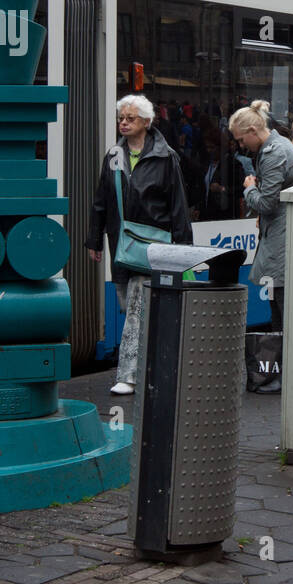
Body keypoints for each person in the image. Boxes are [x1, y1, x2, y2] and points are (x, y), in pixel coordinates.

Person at [86, 95, 193, 395]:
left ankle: (128, 376)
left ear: (146, 123)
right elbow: (101, 201)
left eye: (130, 118)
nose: (123, 122)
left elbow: (178, 205)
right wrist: (94, 239)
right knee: (130, 306)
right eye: (121, 117)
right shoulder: (113, 155)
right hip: (121, 246)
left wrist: (185, 250)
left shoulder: (165, 156)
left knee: (135, 308)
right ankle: (157, 369)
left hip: (151, 247)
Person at [232, 99, 293, 392]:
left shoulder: (274, 153)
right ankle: (280, 371)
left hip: (282, 237)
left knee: (281, 306)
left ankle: (283, 373)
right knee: (278, 303)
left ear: (253, 130)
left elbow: (266, 202)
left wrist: (250, 188)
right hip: (280, 233)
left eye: (241, 139)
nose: (241, 146)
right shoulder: (275, 147)